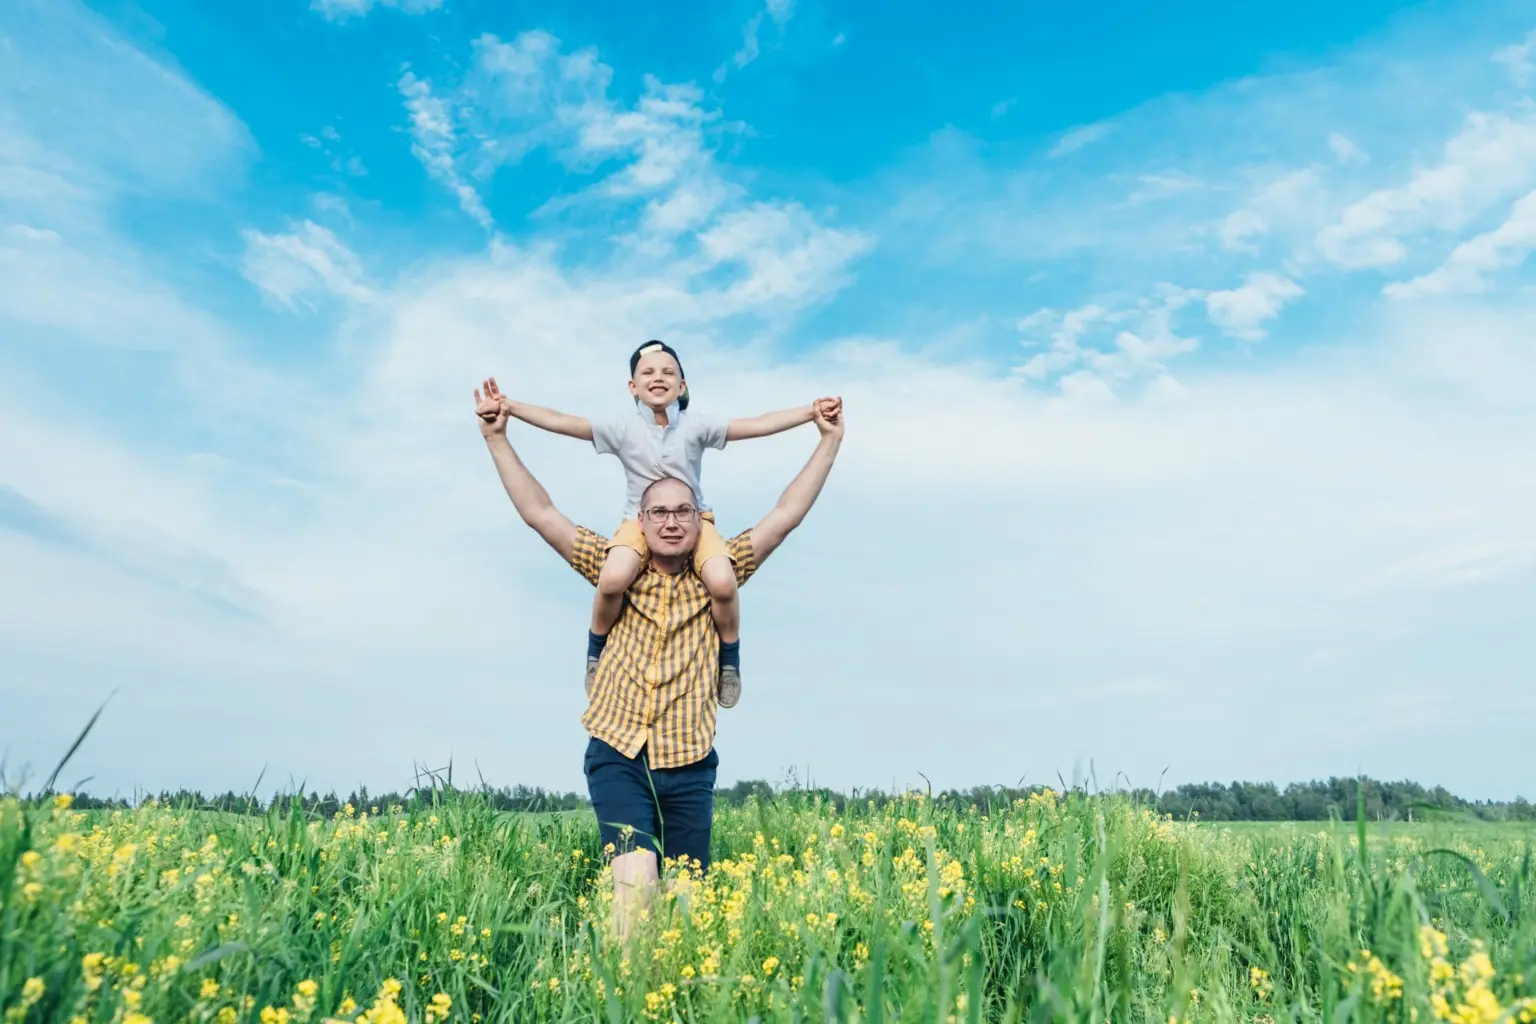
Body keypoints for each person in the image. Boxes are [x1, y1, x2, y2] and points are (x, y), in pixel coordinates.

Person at [474, 377, 844, 940]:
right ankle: (623, 997)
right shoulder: (614, 567)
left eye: (683, 512)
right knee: (636, 885)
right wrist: (499, 438)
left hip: (689, 764)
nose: (672, 520)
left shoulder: (721, 571)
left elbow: (785, 514)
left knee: (687, 914)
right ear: (640, 525)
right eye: (660, 513)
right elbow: (540, 512)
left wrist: (827, 441)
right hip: (619, 753)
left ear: (700, 523)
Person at [495, 340, 830, 710]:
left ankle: (730, 660)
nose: (659, 378)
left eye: (668, 372)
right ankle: (596, 652)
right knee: (612, 579)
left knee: (722, 581)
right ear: (632, 386)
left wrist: (809, 412)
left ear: (682, 385)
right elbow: (563, 422)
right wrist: (512, 408)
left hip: (697, 521)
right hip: (636, 524)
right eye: (648, 372)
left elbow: (757, 424)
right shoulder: (621, 428)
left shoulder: (697, 425)